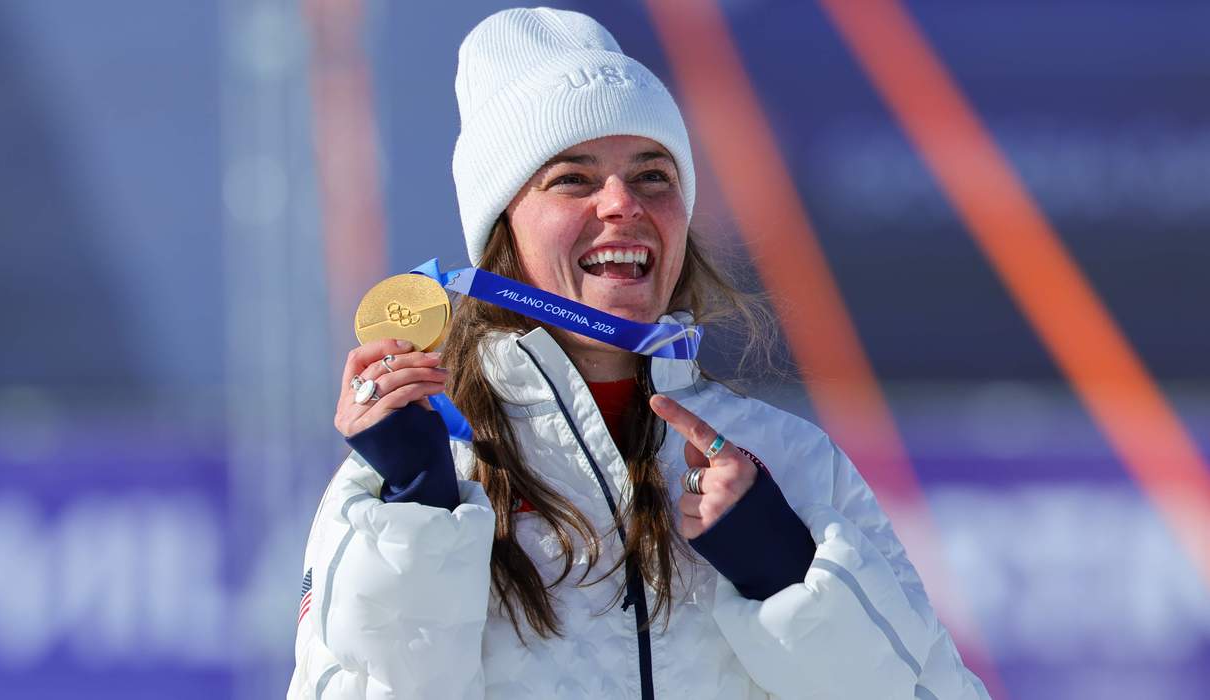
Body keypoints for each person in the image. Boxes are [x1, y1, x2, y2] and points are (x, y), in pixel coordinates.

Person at [287, 7, 989, 699]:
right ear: (500, 227)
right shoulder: (419, 475)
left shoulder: (788, 461)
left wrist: (784, 576)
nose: (622, 203)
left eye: (653, 175)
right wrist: (416, 511)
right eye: (573, 178)